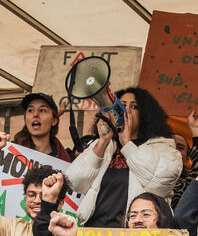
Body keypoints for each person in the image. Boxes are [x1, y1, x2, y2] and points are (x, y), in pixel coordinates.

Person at [68, 86, 181, 226]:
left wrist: (127, 144)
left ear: (146, 114)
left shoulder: (162, 147)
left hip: (136, 232)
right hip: (96, 231)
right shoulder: (105, 145)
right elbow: (74, 182)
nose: (126, 110)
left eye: (134, 106)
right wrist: (102, 142)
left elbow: (159, 182)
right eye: (121, 105)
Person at [14, 93, 71, 161]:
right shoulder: (11, 151)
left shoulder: (65, 161)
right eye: (30, 110)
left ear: (54, 121)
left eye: (42, 110)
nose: (35, 114)